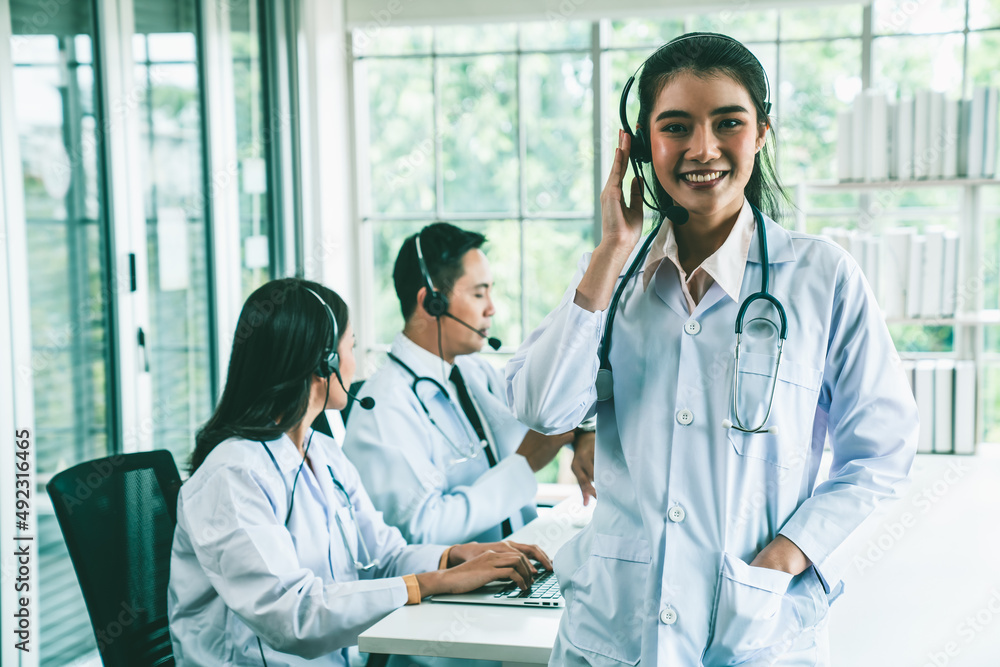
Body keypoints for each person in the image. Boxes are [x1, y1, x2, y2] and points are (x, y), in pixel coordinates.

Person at [506, 33, 918, 666]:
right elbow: (545, 410)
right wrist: (611, 250)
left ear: (761, 134)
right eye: (676, 127)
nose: (703, 149)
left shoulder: (821, 277)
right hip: (612, 634)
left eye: (728, 122)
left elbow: (882, 452)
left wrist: (786, 554)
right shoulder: (611, 280)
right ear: (643, 145)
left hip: (756, 631)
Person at [168, 277, 552, 666]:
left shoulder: (322, 453)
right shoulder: (232, 474)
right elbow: (292, 617)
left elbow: (384, 557)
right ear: (324, 362)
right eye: (350, 345)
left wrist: (456, 557)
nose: (354, 360)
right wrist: (436, 582)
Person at [343, 223, 596, 547]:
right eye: (479, 293)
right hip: (453, 594)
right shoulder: (384, 409)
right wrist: (525, 464)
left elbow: (545, 408)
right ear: (431, 302)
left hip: (516, 575)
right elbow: (418, 530)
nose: (492, 308)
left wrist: (583, 433)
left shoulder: (475, 373)